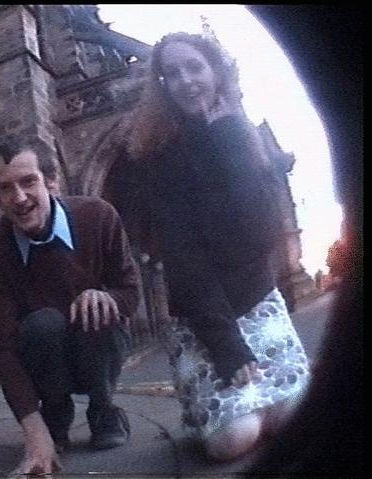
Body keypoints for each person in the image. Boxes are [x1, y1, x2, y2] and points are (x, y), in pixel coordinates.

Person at [125, 32, 311, 461]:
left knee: (295, 417)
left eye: (195, 67)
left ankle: (260, 406)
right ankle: (210, 413)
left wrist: (226, 135)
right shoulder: (158, 157)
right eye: (172, 73)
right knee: (234, 440)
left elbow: (259, 231)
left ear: (216, 71)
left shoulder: (238, 134)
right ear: (162, 85)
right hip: (203, 316)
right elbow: (184, 258)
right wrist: (226, 344)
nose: (186, 81)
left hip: (257, 298)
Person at [0, 135, 140, 475]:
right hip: (43, 354)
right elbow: (4, 347)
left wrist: (107, 296)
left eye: (28, 182)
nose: (19, 198)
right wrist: (32, 428)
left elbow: (130, 291)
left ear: (51, 182)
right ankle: (55, 414)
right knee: (43, 323)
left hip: (96, 344)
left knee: (101, 310)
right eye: (6, 188)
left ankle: (104, 410)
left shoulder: (98, 216)